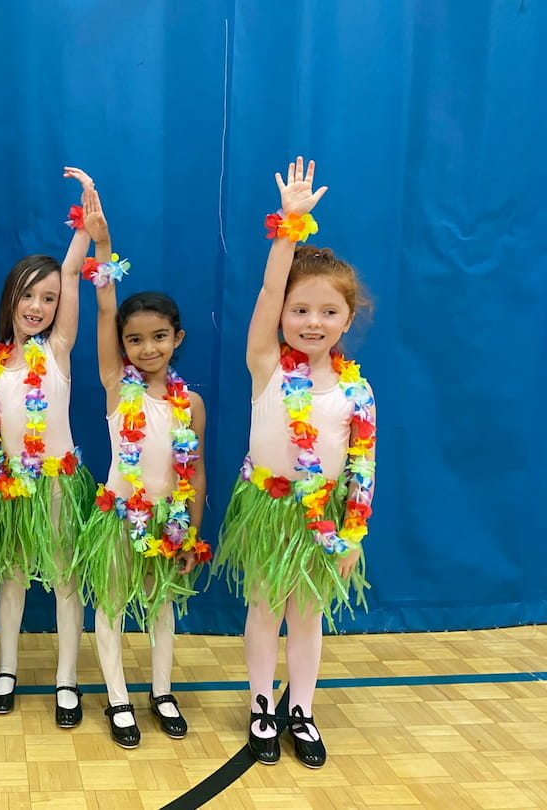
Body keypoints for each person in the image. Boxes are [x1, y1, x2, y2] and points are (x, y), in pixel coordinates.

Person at [213, 157, 375, 769]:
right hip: (270, 506)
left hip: (326, 517)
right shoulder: (268, 367)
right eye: (300, 310)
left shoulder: (358, 390)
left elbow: (363, 463)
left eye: (328, 313)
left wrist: (354, 530)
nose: (313, 322)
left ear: (348, 320)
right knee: (263, 606)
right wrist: (288, 225)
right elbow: (265, 289)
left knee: (306, 615)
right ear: (283, 314)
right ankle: (260, 706)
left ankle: (300, 708)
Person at [77, 190, 209, 749]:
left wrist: (191, 530)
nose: (146, 347)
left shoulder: (191, 404)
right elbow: (107, 306)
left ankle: (160, 690)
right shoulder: (115, 387)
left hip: (168, 520)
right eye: (135, 339)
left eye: (158, 337)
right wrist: (102, 241)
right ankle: (117, 698)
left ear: (176, 338)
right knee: (110, 605)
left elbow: (196, 473)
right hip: (118, 515)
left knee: (160, 606)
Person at [0, 167, 96, 726]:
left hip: (59, 481)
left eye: (48, 298)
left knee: (67, 577)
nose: (39, 306)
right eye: (30, 294)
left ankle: (67, 678)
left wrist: (85, 218)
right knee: (12, 575)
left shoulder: (60, 349)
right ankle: (5, 668)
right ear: (12, 298)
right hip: (12, 484)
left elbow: (72, 272)